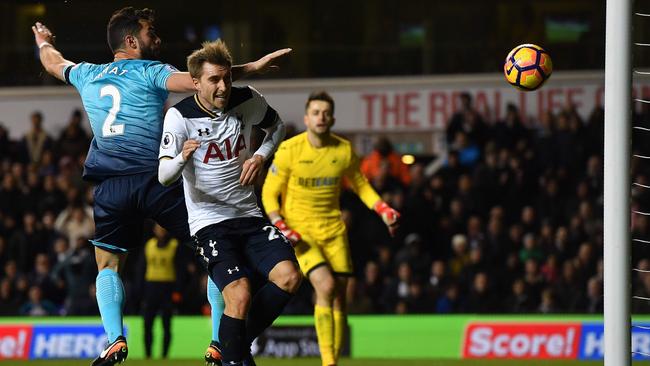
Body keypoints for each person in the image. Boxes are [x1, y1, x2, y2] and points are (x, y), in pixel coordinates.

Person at [32, 7, 289, 366]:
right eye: (151, 32)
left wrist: (42, 41)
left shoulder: (87, 74)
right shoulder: (153, 71)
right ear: (132, 40)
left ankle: (114, 340)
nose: (158, 38)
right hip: (158, 180)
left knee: (107, 265)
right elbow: (203, 80)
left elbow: (52, 62)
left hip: (111, 187)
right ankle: (218, 342)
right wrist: (253, 68)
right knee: (218, 245)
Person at [158, 39, 302, 366]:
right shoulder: (179, 118)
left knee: (289, 276)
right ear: (195, 82)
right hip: (209, 223)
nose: (223, 86)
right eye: (214, 80)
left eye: (226, 78)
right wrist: (182, 157)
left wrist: (263, 155)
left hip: (249, 215)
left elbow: (276, 126)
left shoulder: (247, 98)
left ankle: (232, 344)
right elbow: (164, 175)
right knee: (239, 293)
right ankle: (234, 351)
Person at [261, 91, 400, 366]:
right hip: (302, 233)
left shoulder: (344, 150)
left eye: (325, 113)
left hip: (335, 232)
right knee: (325, 286)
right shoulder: (290, 150)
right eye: (315, 112)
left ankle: (333, 358)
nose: (321, 117)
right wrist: (280, 224)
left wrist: (383, 210)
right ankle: (328, 362)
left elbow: (361, 185)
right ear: (306, 118)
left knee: (340, 298)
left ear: (332, 118)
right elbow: (268, 193)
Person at [142, 224, 178, 359]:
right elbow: (142, 267)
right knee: (147, 324)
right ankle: (148, 355)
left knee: (166, 324)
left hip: (167, 288)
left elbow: (179, 268)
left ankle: (164, 355)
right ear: (154, 230)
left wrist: (178, 291)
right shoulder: (149, 245)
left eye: (163, 228)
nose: (161, 230)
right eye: (158, 228)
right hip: (151, 287)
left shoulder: (174, 245)